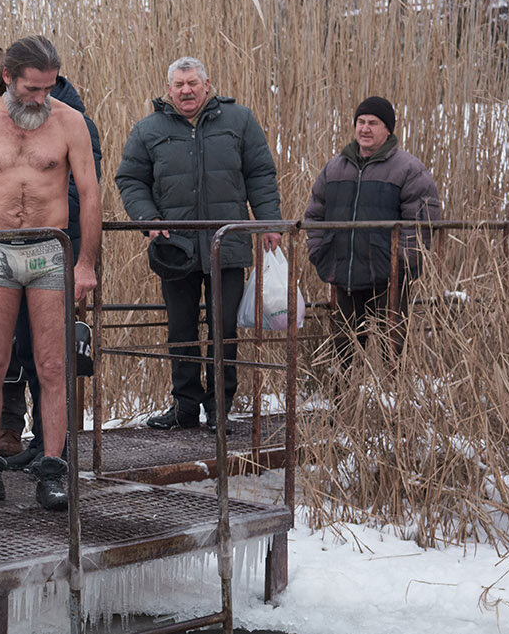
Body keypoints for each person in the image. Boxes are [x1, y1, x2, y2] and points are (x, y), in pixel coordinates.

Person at [0, 40, 105, 463]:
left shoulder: (70, 122)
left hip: (49, 249)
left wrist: (85, 264)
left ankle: (53, 464)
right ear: (7, 78)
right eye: (32, 89)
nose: (41, 98)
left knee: (52, 366)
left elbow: (91, 194)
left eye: (48, 88)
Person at [115, 56, 282, 430]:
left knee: (224, 327)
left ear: (207, 85)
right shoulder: (148, 130)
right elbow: (130, 179)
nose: (186, 91)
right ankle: (185, 407)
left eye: (193, 83)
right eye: (179, 85)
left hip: (228, 244)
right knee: (181, 329)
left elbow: (260, 173)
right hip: (176, 247)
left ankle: (220, 407)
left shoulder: (239, 121)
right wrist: (149, 219)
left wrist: (269, 221)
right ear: (169, 88)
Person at [305, 95, 440, 365]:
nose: (365, 129)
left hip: (388, 280)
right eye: (361, 122)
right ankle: (342, 403)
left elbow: (422, 222)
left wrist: (399, 263)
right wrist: (321, 252)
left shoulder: (409, 169)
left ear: (388, 129)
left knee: (392, 352)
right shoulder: (335, 167)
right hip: (343, 275)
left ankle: (391, 402)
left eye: (373, 123)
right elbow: (315, 213)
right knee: (343, 353)